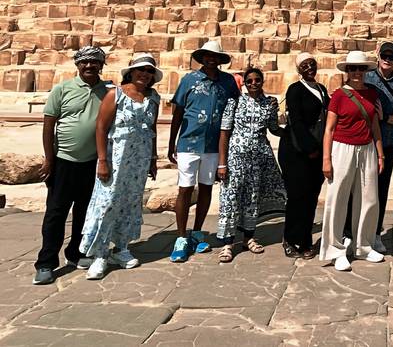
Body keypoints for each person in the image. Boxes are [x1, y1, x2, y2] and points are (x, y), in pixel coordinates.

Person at [32, 47, 111, 285]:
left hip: (92, 162)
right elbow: (49, 126)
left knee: (85, 213)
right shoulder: (62, 89)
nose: (89, 66)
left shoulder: (108, 92)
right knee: (56, 214)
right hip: (64, 161)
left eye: (94, 62)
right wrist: (49, 158)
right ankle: (46, 262)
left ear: (102, 65)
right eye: (85, 62)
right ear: (77, 65)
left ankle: (76, 253)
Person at [80, 54, 162, 280]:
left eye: (149, 72)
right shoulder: (114, 94)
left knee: (130, 202)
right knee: (107, 204)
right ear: (131, 72)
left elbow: (152, 129)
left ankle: (121, 248)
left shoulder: (153, 97)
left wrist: (153, 159)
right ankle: (100, 253)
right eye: (141, 70)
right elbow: (101, 128)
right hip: (116, 159)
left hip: (139, 160)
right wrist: (103, 160)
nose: (144, 75)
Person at [168, 39, 239, 262]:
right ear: (202, 57)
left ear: (220, 60)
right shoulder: (189, 79)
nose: (211, 59)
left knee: (206, 188)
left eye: (215, 56)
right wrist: (172, 143)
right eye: (207, 55)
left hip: (213, 145)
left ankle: (197, 232)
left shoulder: (228, 82)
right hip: (189, 142)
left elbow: (234, 111)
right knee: (185, 189)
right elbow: (178, 112)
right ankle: (181, 237)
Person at [319, 50, 385, 271]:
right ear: (347, 71)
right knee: (338, 199)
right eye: (353, 68)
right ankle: (335, 250)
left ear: (366, 71)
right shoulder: (338, 95)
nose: (357, 72)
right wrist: (326, 159)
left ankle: (363, 245)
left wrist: (380, 153)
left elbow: (374, 125)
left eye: (361, 68)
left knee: (369, 198)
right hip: (342, 148)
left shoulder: (372, 94)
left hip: (367, 148)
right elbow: (329, 129)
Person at [344, 41, 393, 253]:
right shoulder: (366, 77)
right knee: (355, 189)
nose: (387, 60)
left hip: (388, 144)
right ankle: (349, 233)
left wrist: (386, 117)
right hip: (363, 142)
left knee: (380, 190)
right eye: (385, 55)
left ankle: (374, 233)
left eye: (391, 57)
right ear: (377, 55)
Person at [216, 67, 286, 262]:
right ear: (245, 83)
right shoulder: (235, 102)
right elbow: (224, 133)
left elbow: (273, 128)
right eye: (250, 81)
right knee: (231, 197)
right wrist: (222, 163)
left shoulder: (269, 103)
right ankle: (228, 244)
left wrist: (296, 131)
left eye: (257, 80)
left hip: (258, 158)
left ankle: (248, 237)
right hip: (236, 157)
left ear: (262, 81)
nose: (254, 83)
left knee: (252, 198)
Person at [279, 53, 330, 259]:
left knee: (311, 198)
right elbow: (297, 122)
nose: (310, 67)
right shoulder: (295, 90)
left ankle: (305, 239)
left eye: (312, 64)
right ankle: (291, 238)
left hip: (317, 151)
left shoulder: (321, 89)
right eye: (305, 65)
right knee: (297, 197)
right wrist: (311, 148)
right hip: (297, 151)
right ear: (299, 69)